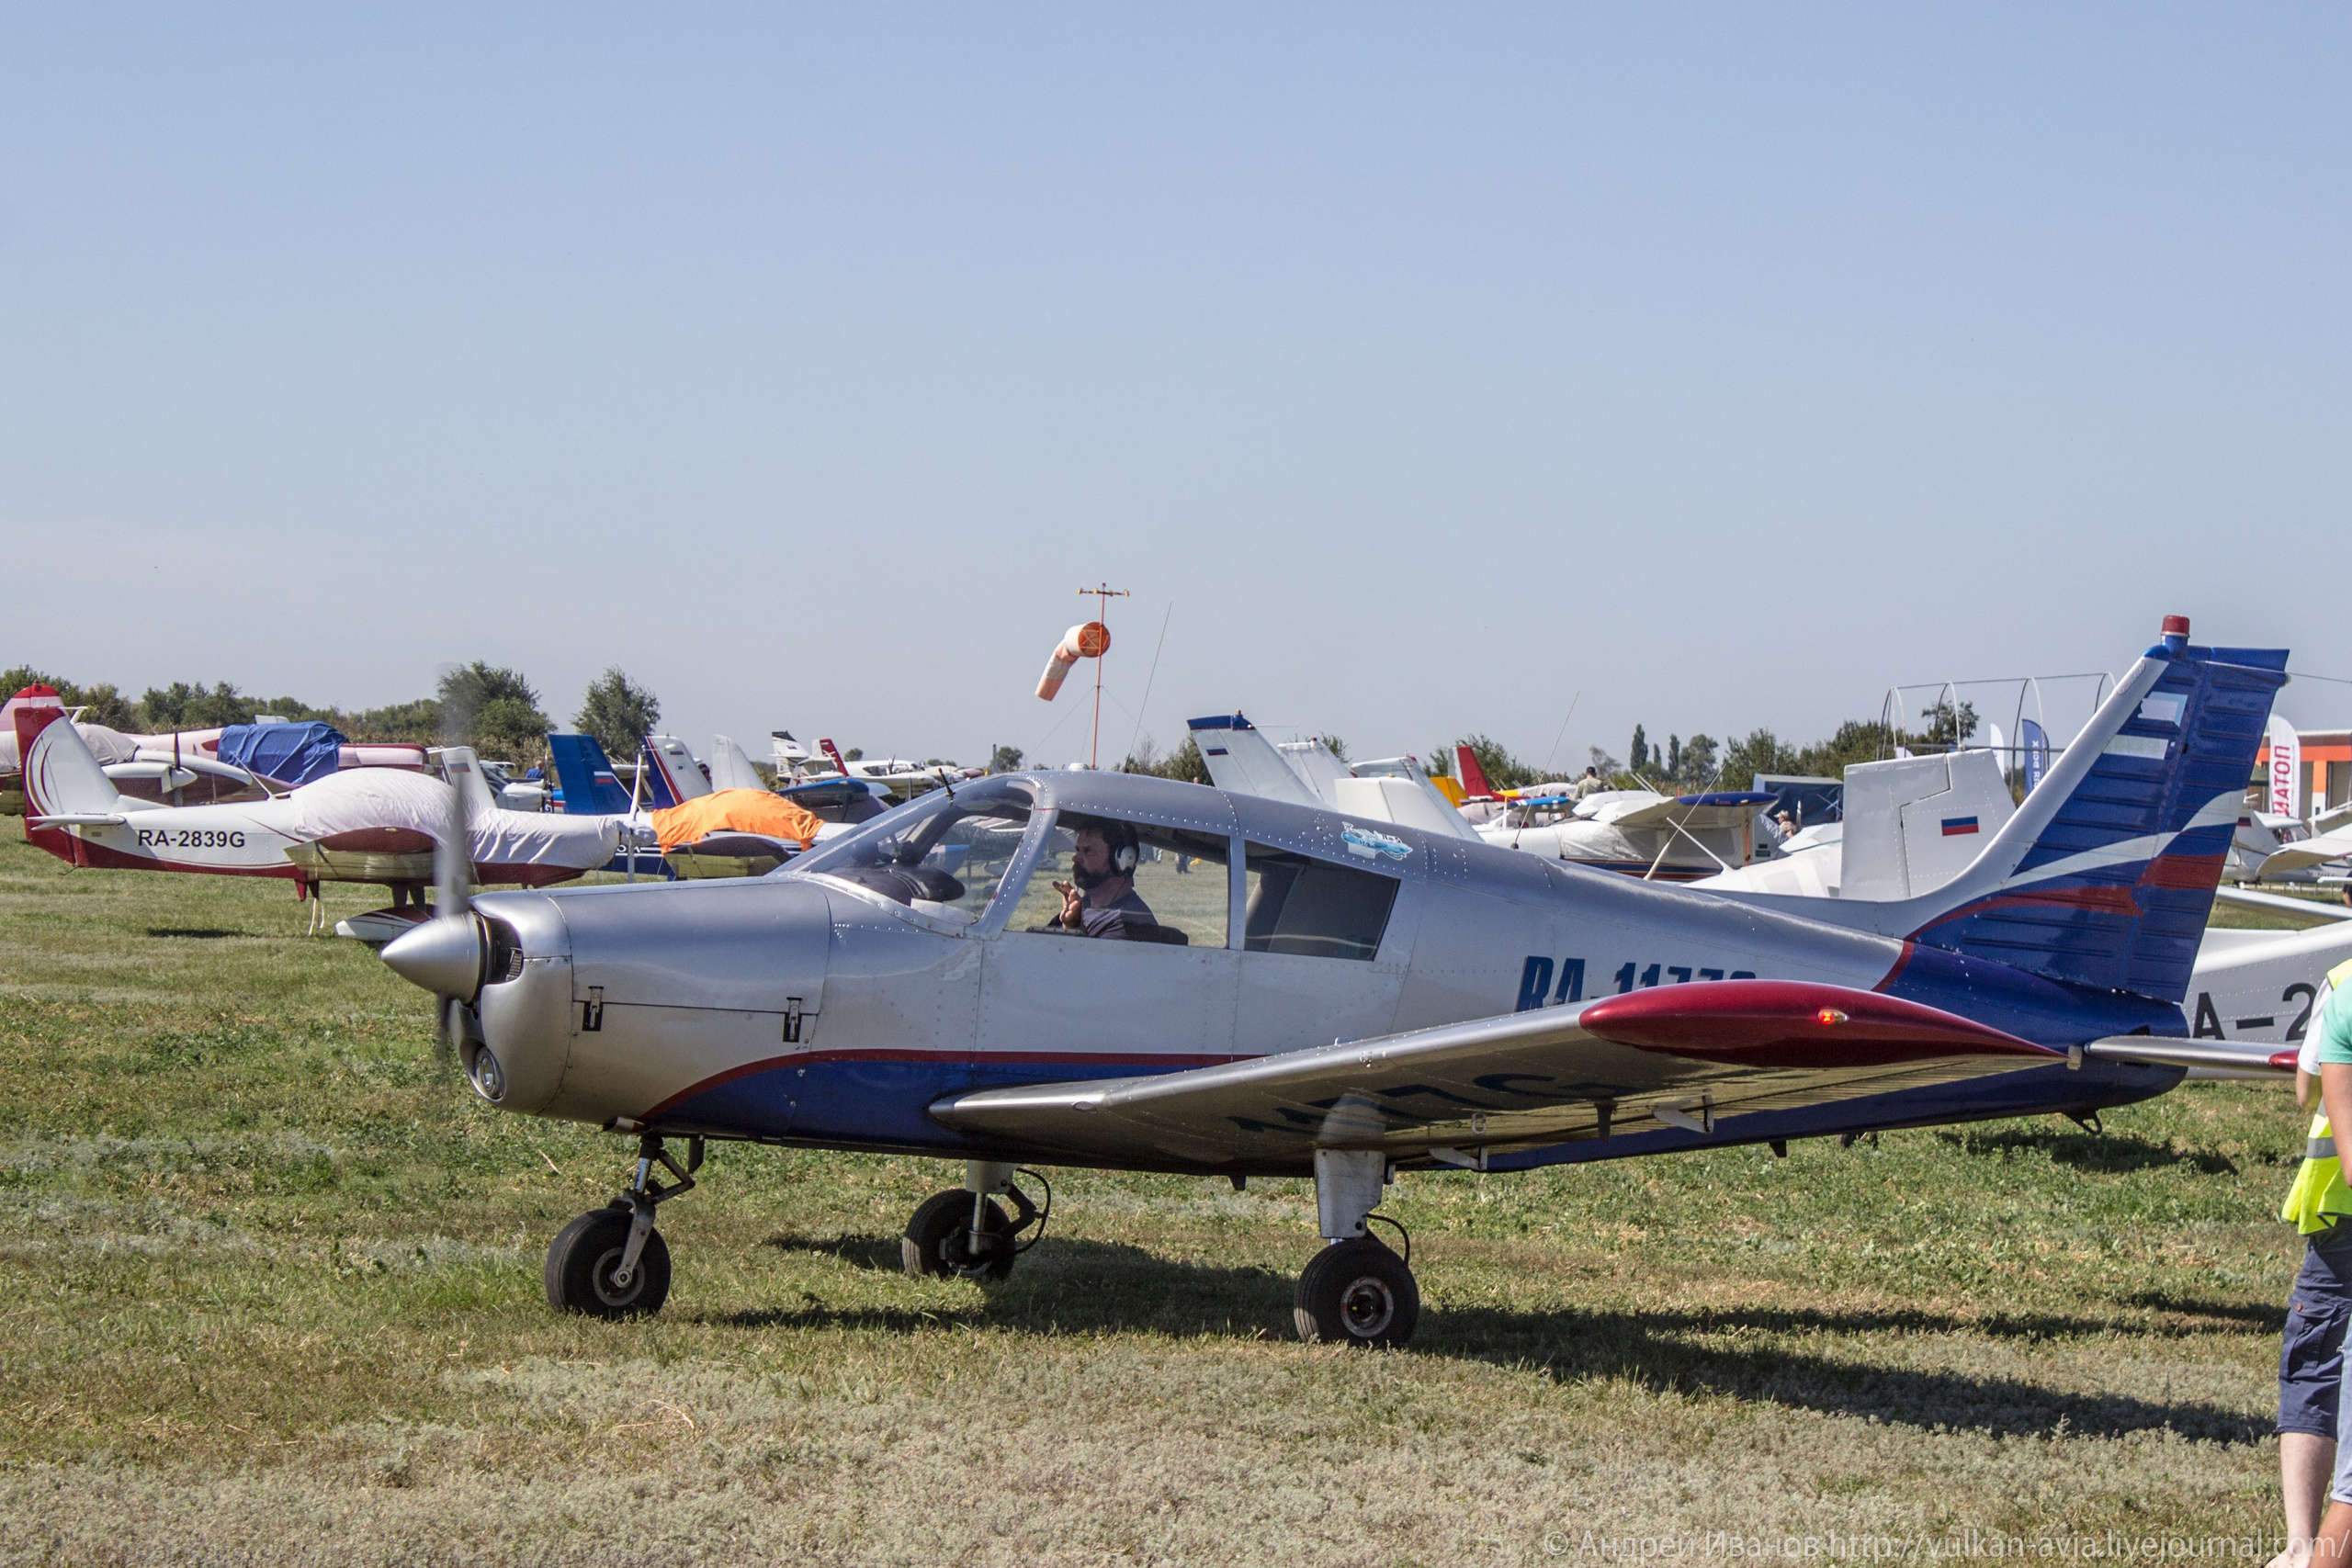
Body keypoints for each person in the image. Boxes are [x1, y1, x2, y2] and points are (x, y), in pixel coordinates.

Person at [2274, 958, 2352, 1568]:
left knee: (2316, 1364)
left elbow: (2305, 1090)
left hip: (2334, 1213)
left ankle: (2303, 1542)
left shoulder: (2341, 982)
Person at [1046, 818, 1161, 941]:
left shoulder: (1131, 922)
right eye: (1078, 850)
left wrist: (1072, 930)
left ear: (1123, 860)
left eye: (1088, 850)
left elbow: (1082, 958)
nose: (1075, 858)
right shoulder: (1080, 907)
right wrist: (1068, 926)